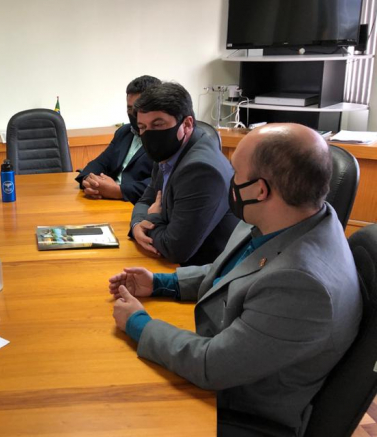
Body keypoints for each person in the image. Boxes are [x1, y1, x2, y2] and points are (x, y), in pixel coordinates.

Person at [109, 123, 362, 436]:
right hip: (226, 364)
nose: (229, 180)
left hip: (238, 407)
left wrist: (138, 323)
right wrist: (162, 283)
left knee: (114, 405)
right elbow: (237, 270)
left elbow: (211, 365)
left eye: (235, 172)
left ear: (260, 190)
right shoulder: (289, 217)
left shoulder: (302, 284)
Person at [129, 82, 238, 266]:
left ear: (187, 124)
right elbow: (145, 200)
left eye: (158, 124)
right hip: (170, 263)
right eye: (143, 127)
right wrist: (137, 224)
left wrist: (151, 218)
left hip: (202, 273)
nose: (149, 134)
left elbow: (175, 249)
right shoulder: (169, 152)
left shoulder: (201, 170)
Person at [75, 75, 160, 203]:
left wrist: (119, 191)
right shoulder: (124, 132)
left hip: (137, 204)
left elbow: (160, 182)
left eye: (137, 108)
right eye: (129, 108)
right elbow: (100, 162)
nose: (133, 113)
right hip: (106, 200)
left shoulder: (162, 137)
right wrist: (89, 180)